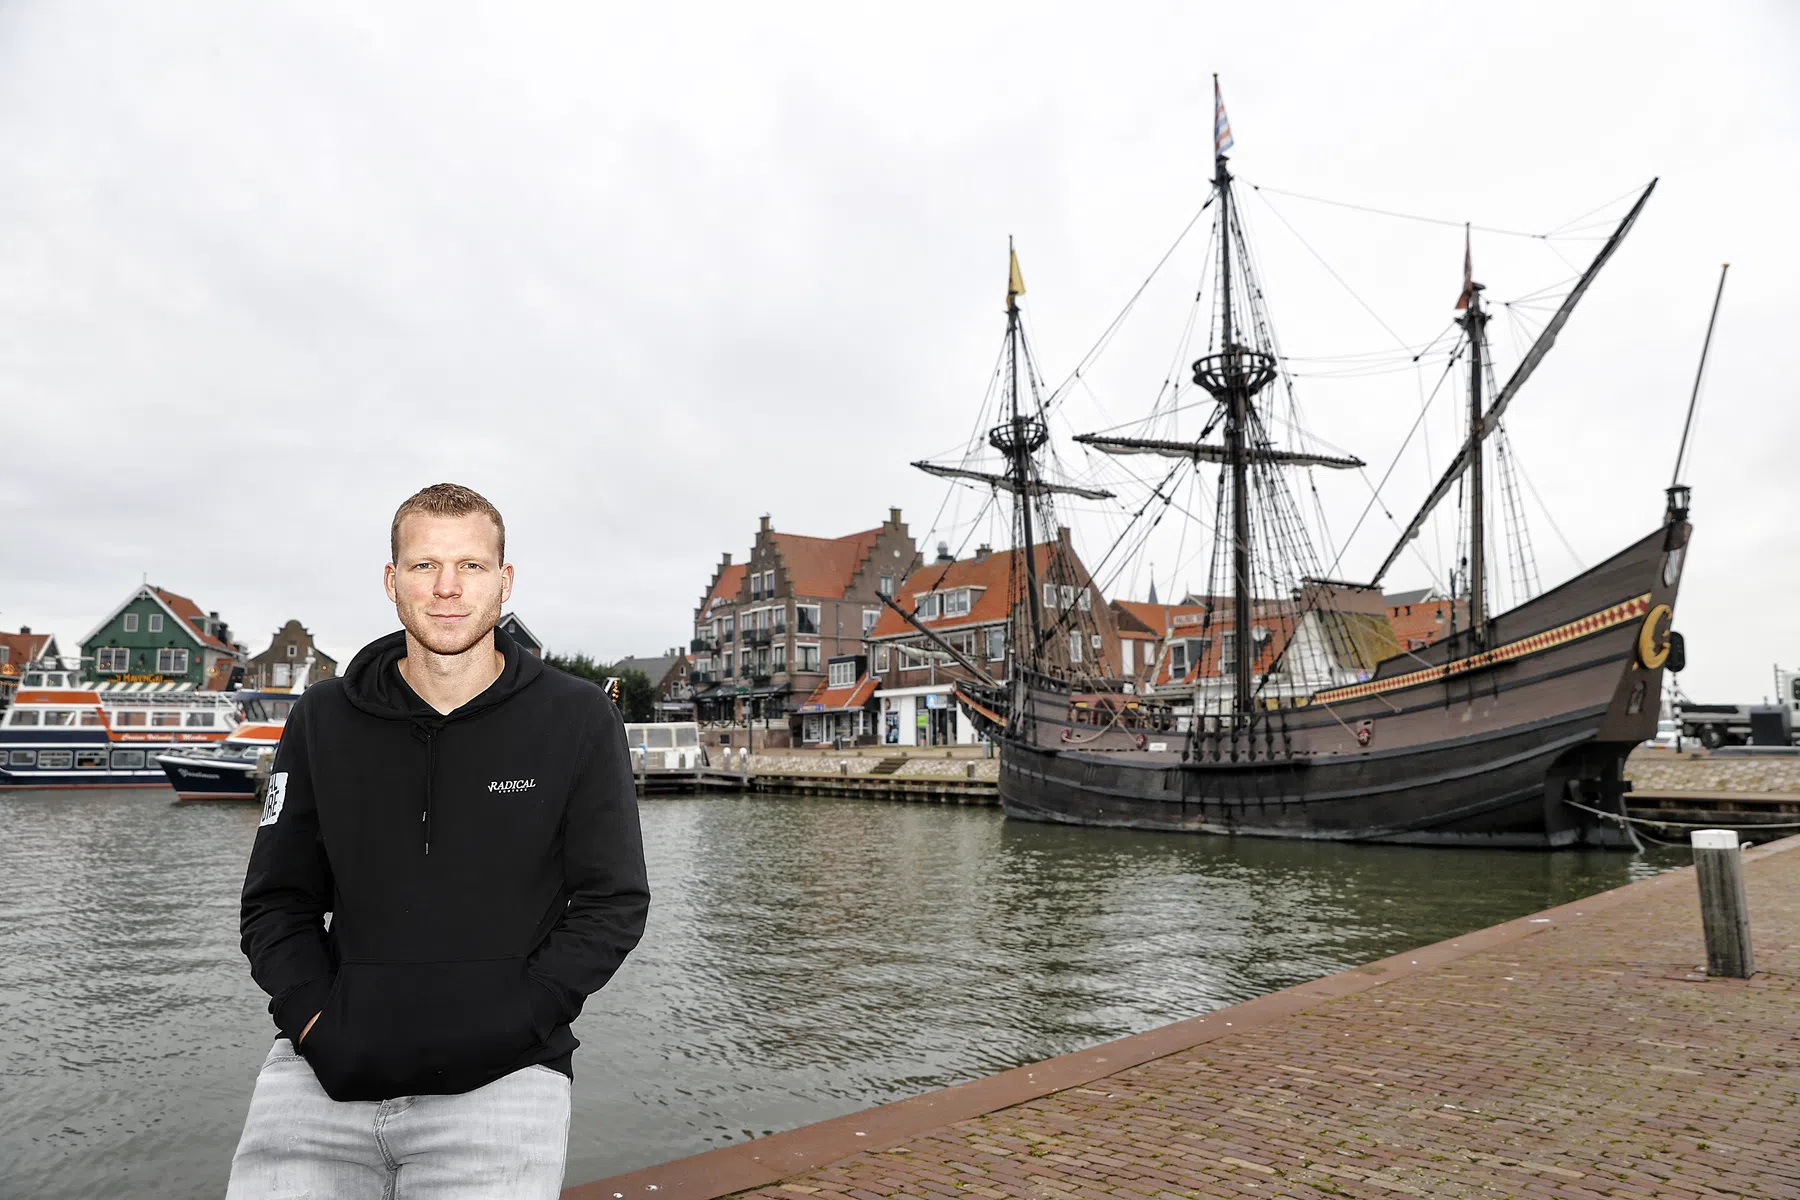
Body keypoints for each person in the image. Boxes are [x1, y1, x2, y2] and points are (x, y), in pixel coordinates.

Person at [227, 482, 649, 1198]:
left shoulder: (576, 717)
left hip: (504, 1078)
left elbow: (613, 903)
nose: (448, 588)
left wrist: (516, 1019)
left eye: (471, 566)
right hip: (321, 1075)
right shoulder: (323, 718)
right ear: (391, 581)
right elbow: (277, 901)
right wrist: (313, 1019)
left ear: (503, 580)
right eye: (424, 566)